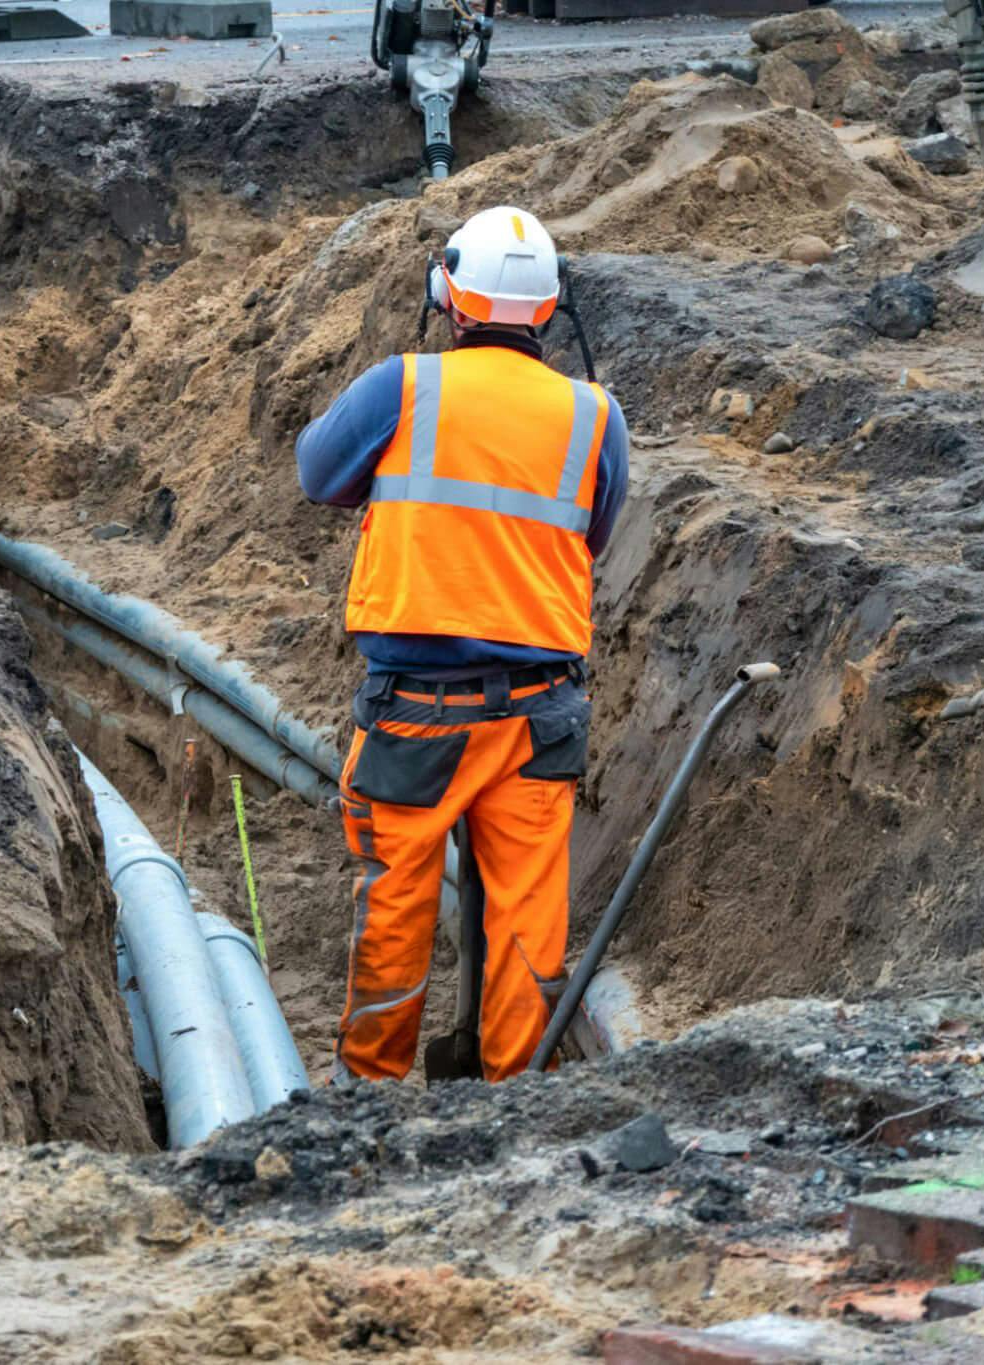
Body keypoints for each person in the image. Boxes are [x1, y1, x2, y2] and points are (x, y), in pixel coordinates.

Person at [294, 205, 629, 1084]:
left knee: (396, 909)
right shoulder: (596, 417)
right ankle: (516, 1101)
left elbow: (316, 474)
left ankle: (366, 1093)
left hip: (415, 716)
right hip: (537, 718)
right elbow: (586, 535)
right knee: (526, 922)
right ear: (552, 312)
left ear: (450, 297)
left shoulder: (399, 389)